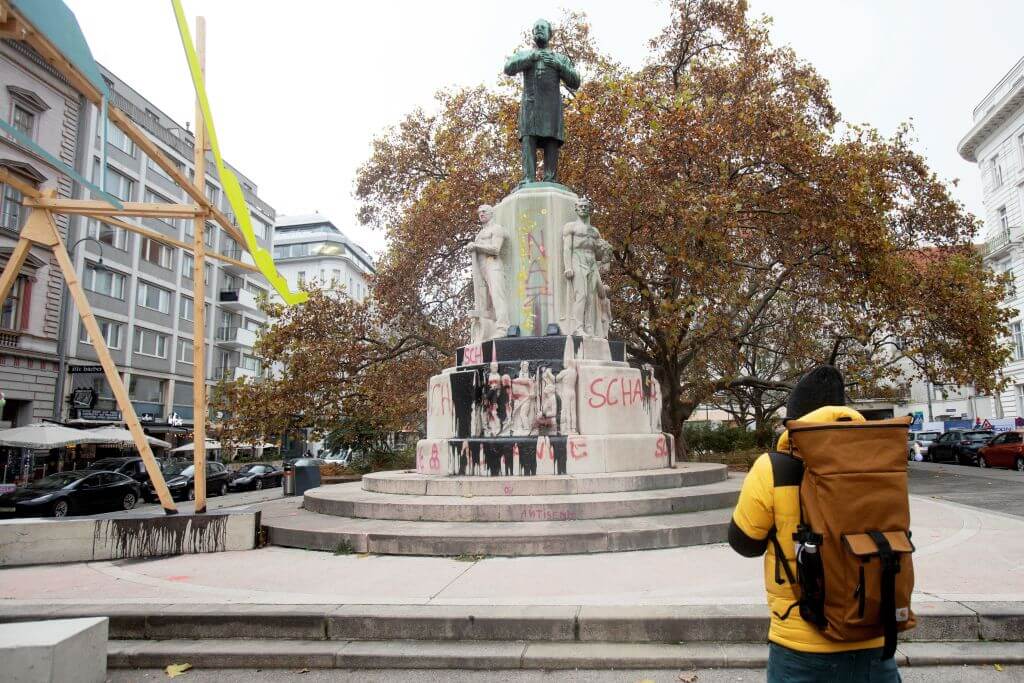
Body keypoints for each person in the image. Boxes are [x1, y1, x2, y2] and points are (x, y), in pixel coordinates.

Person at [727, 366, 902, 683]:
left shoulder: (774, 468)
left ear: (793, 421)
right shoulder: (878, 461)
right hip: (875, 637)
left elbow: (743, 542)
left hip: (801, 645)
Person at [504, 19, 581, 184]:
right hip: (530, 105)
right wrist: (531, 57)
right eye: (536, 28)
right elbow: (508, 68)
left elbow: (575, 82)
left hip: (551, 108)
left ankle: (550, 178)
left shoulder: (559, 58)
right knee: (528, 138)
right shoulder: (525, 54)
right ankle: (528, 178)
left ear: (549, 33)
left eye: (542, 27)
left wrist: (558, 65)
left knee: (551, 139)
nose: (539, 30)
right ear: (532, 34)